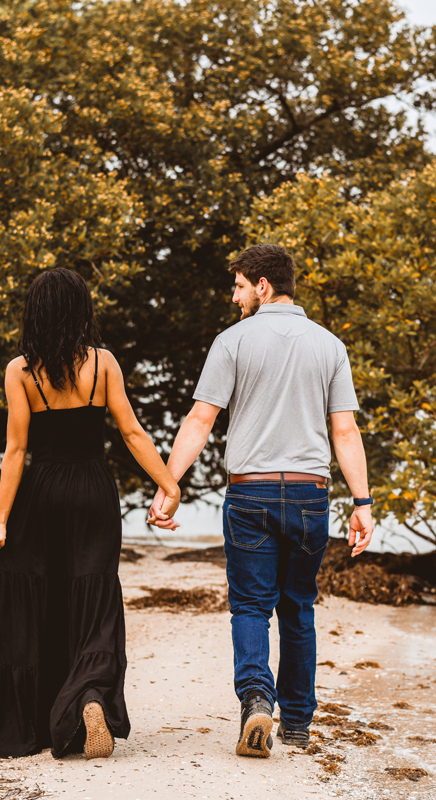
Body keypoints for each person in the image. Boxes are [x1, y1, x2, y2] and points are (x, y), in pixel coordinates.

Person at [148, 243, 374, 758]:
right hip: (310, 495)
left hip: (250, 492)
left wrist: (169, 484)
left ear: (263, 285)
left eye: (239, 286)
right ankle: (296, 725)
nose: (235, 297)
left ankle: (256, 700)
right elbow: (345, 430)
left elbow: (201, 419)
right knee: (298, 608)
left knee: (251, 605)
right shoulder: (329, 345)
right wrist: (362, 502)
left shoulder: (231, 342)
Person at [0, 268, 180, 760]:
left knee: (33, 594)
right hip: (92, 490)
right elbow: (132, 434)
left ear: (35, 314)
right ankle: (88, 696)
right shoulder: (104, 364)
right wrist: (168, 484)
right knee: (93, 594)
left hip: (41, 494)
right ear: (81, 310)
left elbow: (16, 451)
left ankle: (37, 716)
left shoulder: (20, 371)